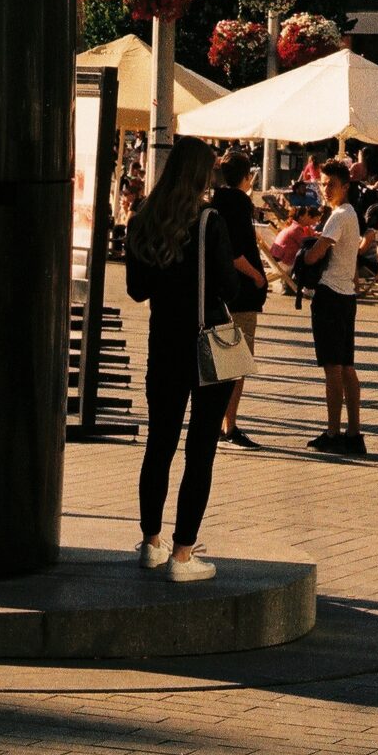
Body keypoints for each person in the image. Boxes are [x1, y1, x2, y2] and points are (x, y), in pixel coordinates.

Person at [125, 138, 248, 580]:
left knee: (159, 444)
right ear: (201, 174)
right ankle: (183, 554)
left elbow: (137, 291)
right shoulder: (209, 221)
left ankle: (151, 542)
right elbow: (229, 289)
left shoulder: (141, 218)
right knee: (200, 451)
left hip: (164, 344)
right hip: (206, 346)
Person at [302, 156, 366, 455]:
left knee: (333, 369)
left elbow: (314, 256)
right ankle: (353, 432)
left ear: (345, 185)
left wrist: (304, 253)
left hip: (330, 294)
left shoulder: (338, 216)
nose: (326, 189)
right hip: (347, 296)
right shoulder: (351, 214)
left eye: (332, 185)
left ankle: (333, 432)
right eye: (323, 184)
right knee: (347, 367)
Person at [211, 150, 269, 449]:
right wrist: (257, 277)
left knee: (223, 361)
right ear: (247, 178)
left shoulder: (215, 202)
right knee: (237, 362)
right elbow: (235, 251)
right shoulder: (239, 205)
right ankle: (228, 425)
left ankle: (219, 421)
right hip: (242, 294)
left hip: (220, 292)